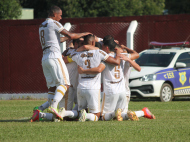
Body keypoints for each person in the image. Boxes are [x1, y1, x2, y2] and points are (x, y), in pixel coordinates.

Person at [31, 5, 90, 122]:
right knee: (65, 84)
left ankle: (41, 109)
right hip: (54, 56)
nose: (61, 18)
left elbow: (56, 39)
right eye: (60, 15)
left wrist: (66, 39)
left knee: (52, 87)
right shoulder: (54, 23)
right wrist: (84, 34)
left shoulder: (42, 25)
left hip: (45, 58)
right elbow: (71, 35)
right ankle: (53, 106)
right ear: (54, 14)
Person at [60, 34, 121, 122]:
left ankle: (65, 113)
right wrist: (118, 52)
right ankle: (87, 116)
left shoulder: (76, 54)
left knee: (81, 111)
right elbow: (116, 62)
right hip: (93, 88)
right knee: (96, 115)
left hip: (80, 87)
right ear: (93, 42)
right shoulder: (100, 52)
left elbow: (64, 60)